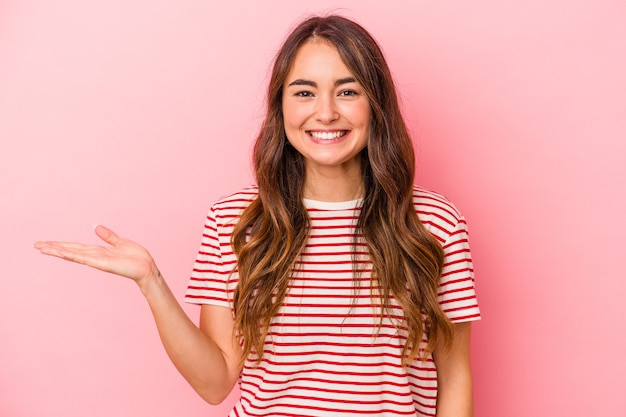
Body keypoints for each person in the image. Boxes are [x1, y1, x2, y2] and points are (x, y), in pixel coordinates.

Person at [35, 15, 480, 417]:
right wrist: (151, 281)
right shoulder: (236, 222)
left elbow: (455, 376)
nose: (325, 112)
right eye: (304, 92)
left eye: (347, 91)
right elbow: (215, 384)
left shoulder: (432, 223)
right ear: (281, 107)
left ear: (375, 104)